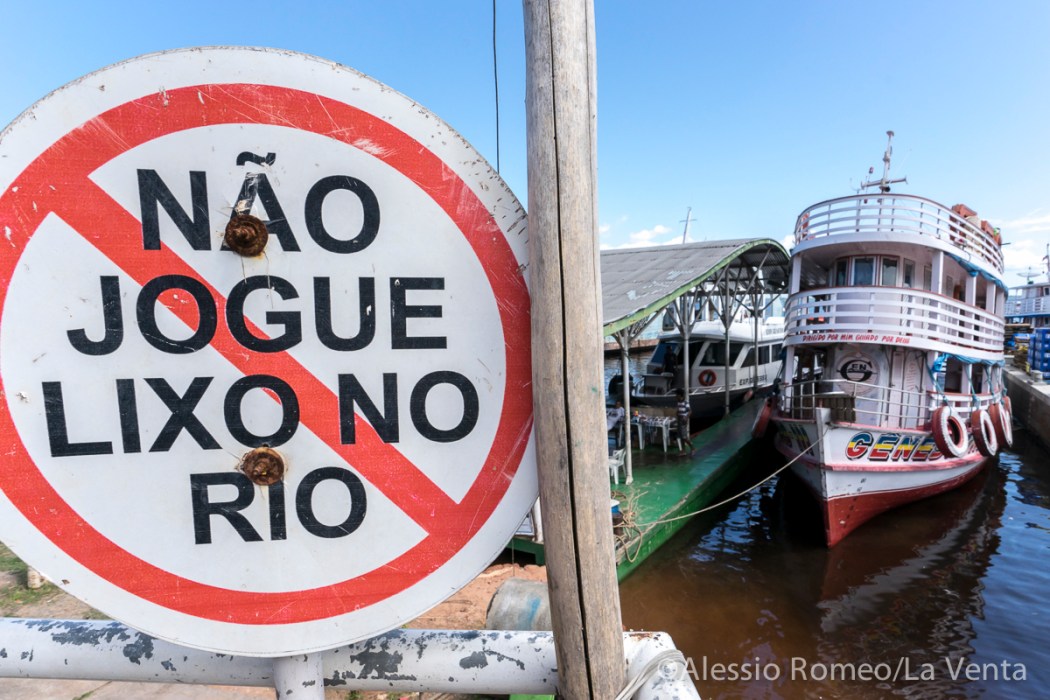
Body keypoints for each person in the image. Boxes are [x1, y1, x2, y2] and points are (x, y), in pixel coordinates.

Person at [675, 390, 695, 456]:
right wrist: (677, 415)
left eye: (677, 395)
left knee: (684, 437)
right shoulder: (678, 402)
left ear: (680, 395)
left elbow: (690, 411)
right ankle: (682, 451)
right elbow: (678, 411)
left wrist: (686, 417)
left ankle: (693, 448)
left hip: (683, 420)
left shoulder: (685, 403)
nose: (676, 396)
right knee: (680, 437)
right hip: (679, 420)